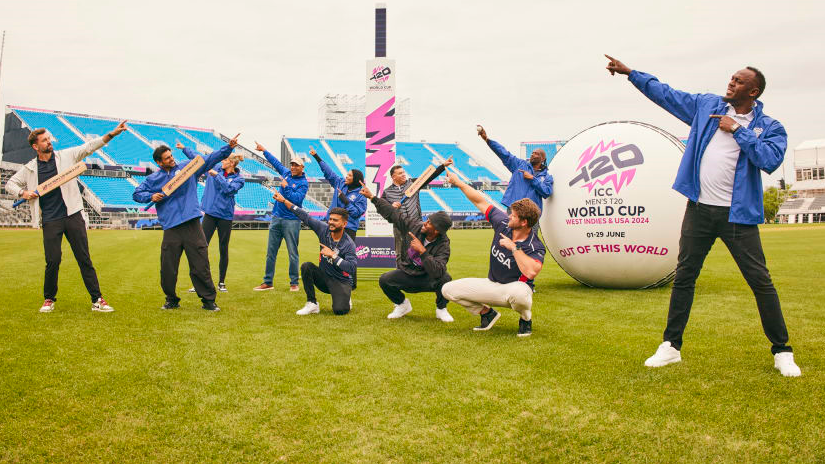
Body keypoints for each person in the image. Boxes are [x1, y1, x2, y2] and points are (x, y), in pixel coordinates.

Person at [604, 54, 800, 377]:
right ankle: (671, 347)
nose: (731, 82)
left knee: (760, 282)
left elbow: (769, 160)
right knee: (684, 277)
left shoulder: (771, 127)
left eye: (738, 81)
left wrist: (737, 130)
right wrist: (631, 74)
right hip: (699, 210)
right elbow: (666, 94)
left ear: (753, 92)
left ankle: (782, 350)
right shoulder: (706, 106)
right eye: (731, 77)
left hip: (738, 217)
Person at [7, 122, 128, 313]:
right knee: (53, 261)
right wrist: (24, 193)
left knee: (84, 259)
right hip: (50, 219)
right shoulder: (30, 168)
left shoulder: (66, 156)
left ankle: (97, 300)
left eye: (49, 138)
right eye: (44, 140)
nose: (49, 142)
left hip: (73, 215)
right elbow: (10, 184)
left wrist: (111, 134)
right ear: (35, 146)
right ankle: (48, 299)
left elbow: (89, 147)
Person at [133, 134, 239, 311]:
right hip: (171, 227)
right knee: (168, 267)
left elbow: (209, 159)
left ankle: (208, 301)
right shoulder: (153, 179)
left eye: (172, 155)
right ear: (159, 162)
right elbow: (136, 194)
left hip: (192, 223)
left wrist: (228, 148)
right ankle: (171, 299)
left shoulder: (187, 168)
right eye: (167, 158)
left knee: (201, 264)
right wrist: (150, 196)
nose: (172, 159)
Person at [441, 171, 545, 337]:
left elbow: (531, 272)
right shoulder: (504, 224)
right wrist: (458, 182)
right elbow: (480, 201)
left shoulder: (534, 246)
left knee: (520, 294)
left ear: (524, 222)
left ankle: (526, 318)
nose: (509, 216)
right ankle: (487, 314)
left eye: (514, 215)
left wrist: (514, 248)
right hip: (493, 284)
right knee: (448, 289)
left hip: (514, 289)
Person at [360, 181, 454, 322]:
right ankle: (402, 305)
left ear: (437, 230)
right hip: (407, 272)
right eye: (427, 220)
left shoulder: (444, 244)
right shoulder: (415, 226)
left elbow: (438, 271)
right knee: (385, 280)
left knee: (446, 279)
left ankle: (441, 309)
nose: (425, 223)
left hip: (427, 277)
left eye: (429, 223)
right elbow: (393, 214)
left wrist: (423, 251)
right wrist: (373, 198)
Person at [271, 191, 357, 316]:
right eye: (330, 219)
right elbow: (304, 216)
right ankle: (312, 304)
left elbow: (352, 268)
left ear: (344, 224)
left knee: (340, 311)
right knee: (307, 266)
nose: (331, 222)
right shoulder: (323, 229)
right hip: (323, 277)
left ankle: (345, 297)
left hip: (340, 281)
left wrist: (333, 256)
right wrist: (284, 201)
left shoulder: (348, 244)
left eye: (335, 220)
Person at [177, 141, 245, 293]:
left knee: (223, 248)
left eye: (225, 160)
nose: (222, 161)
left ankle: (221, 282)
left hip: (225, 217)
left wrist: (217, 176)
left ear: (231, 163)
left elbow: (228, 190)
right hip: (209, 214)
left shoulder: (240, 179)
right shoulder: (214, 168)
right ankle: (199, 283)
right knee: (201, 247)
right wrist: (184, 149)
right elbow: (198, 158)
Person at [252, 141, 308, 292]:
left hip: (292, 221)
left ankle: (294, 283)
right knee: (271, 253)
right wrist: (264, 150)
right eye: (292, 164)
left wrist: (286, 187)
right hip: (276, 218)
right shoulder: (286, 173)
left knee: (292, 253)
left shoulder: (303, 183)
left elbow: (296, 200)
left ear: (302, 168)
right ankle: (268, 282)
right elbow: (275, 162)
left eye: (296, 165)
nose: (293, 167)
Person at [308, 147, 367, 288]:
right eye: (347, 174)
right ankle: (325, 278)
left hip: (348, 228)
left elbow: (358, 212)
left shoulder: (361, 194)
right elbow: (328, 173)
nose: (346, 177)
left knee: (347, 257)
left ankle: (351, 284)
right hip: (331, 226)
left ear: (356, 179)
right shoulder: (339, 183)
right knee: (325, 252)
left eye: (349, 176)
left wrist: (345, 199)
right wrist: (317, 157)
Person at [380, 158, 453, 267]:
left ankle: (420, 274)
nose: (404, 174)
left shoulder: (413, 183)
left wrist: (442, 166)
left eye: (404, 172)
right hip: (399, 227)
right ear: (393, 177)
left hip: (417, 225)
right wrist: (391, 207)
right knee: (400, 253)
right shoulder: (387, 192)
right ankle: (400, 277)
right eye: (400, 173)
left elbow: (430, 176)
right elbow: (382, 209)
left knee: (420, 251)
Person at [478, 125, 553, 218]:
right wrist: (487, 140)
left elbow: (547, 193)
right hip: (514, 209)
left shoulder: (547, 177)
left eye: (536, 154)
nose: (533, 155)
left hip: (532, 212)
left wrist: (532, 179)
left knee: (531, 233)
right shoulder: (519, 164)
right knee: (511, 232)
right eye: (532, 153)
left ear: (543, 158)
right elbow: (504, 154)